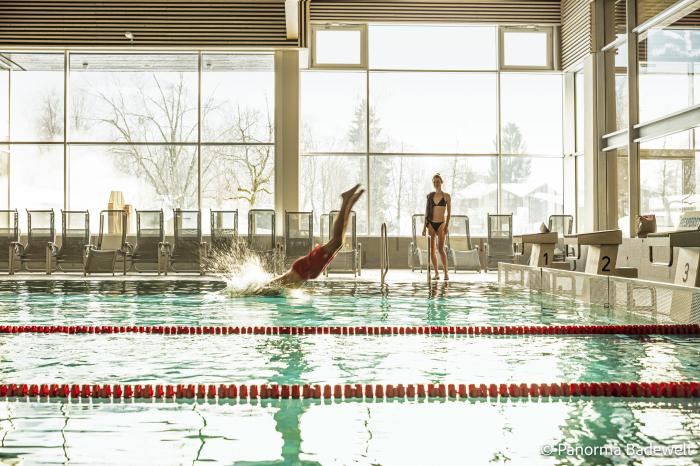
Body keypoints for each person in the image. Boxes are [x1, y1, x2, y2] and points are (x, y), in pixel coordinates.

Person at [270, 184, 365, 288]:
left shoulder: (267, 289)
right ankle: (349, 203)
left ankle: (346, 201)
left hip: (304, 269)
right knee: (339, 243)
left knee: (336, 241)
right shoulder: (273, 288)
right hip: (306, 270)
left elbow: (270, 286)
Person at [422, 173, 451, 280]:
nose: (436, 184)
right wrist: (424, 227)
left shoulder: (446, 196)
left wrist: (446, 226)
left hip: (441, 224)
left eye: (437, 181)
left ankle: (446, 273)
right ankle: (436, 273)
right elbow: (427, 212)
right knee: (432, 250)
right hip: (431, 224)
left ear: (441, 182)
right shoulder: (430, 196)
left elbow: (449, 213)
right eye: (434, 182)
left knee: (441, 249)